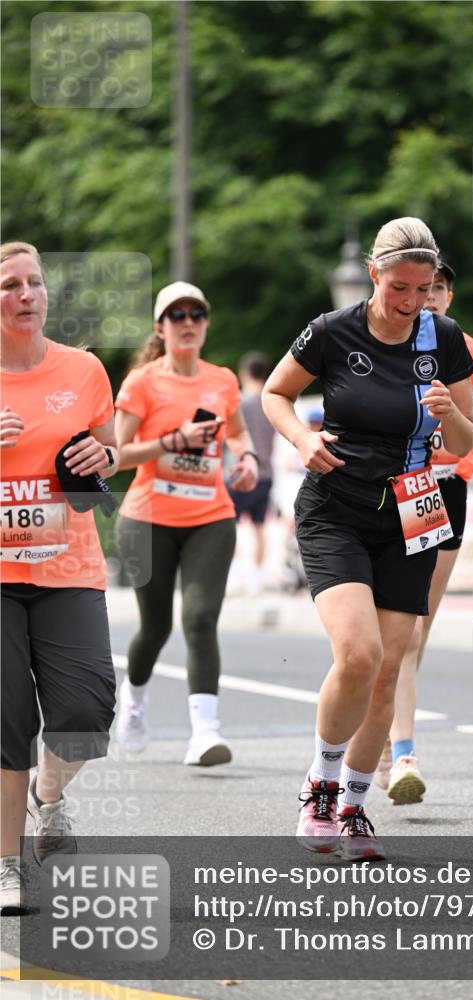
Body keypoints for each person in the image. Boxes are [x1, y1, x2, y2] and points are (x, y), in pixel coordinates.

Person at [262, 218, 473, 860]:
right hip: (337, 505)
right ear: (376, 275)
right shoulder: (334, 332)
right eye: (399, 288)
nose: (411, 302)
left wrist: (452, 416)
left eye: (424, 288)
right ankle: (321, 783)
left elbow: (465, 444)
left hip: (413, 510)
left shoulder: (445, 338)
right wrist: (303, 439)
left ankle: (354, 804)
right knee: (357, 653)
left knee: (387, 668)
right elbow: (277, 393)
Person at [0, 242, 118, 914]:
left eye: (34, 282)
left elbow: (107, 454)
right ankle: (7, 864)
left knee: (85, 711)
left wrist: (103, 454)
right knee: (6, 719)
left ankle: (51, 797)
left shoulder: (84, 369)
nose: (25, 294)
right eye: (10, 284)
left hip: (68, 566)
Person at [377, 260, 473, 804]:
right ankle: (400, 749)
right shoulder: (383, 336)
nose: (426, 297)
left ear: (449, 296)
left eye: (436, 289)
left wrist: (466, 406)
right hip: (394, 485)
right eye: (417, 288)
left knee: (416, 632)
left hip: (442, 489)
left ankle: (390, 734)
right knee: (400, 634)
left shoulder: (467, 349)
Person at [114, 281, 258, 767]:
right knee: (155, 627)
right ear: (161, 327)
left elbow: (237, 432)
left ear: (206, 323)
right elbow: (116, 456)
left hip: (210, 517)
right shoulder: (142, 382)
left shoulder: (221, 381)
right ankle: (133, 701)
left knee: (199, 619)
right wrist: (172, 441)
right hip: (147, 519)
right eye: (178, 315)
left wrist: (249, 458)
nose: (189, 322)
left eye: (197, 314)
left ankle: (205, 733)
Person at [227, 351, 275, 595]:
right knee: (259, 526)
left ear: (245, 374)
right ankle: (256, 579)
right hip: (266, 472)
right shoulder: (271, 404)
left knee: (231, 524)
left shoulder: (241, 404)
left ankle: (235, 575)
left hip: (241, 471)